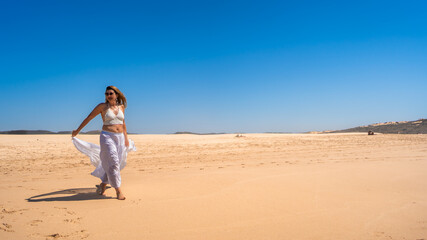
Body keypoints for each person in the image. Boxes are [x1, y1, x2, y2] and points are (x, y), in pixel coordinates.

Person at [72, 86, 134, 200]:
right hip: (107, 137)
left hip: (120, 138)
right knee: (114, 162)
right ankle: (118, 190)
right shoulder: (102, 106)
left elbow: (123, 123)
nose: (108, 96)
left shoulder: (121, 107)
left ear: (116, 94)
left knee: (115, 164)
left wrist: (126, 138)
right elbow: (88, 118)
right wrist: (77, 131)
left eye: (110, 93)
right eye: (106, 94)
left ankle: (103, 185)